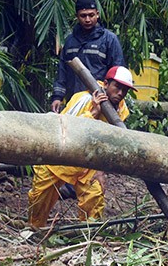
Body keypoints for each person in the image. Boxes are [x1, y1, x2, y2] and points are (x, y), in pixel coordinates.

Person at [29, 66, 136, 227]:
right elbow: (65, 128)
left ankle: (88, 235)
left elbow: (111, 142)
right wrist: (92, 113)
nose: (120, 93)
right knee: (40, 198)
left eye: (125, 90)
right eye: (117, 87)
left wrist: (101, 170)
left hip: (88, 164)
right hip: (59, 158)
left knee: (94, 197)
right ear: (106, 84)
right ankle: (34, 229)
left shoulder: (121, 111)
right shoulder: (83, 99)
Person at [50, 0, 126, 113]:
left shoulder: (109, 40)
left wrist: (114, 102)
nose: (87, 19)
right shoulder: (70, 42)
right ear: (77, 16)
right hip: (74, 103)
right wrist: (57, 97)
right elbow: (62, 72)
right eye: (83, 16)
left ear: (97, 14)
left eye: (91, 15)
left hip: (100, 103)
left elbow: (118, 74)